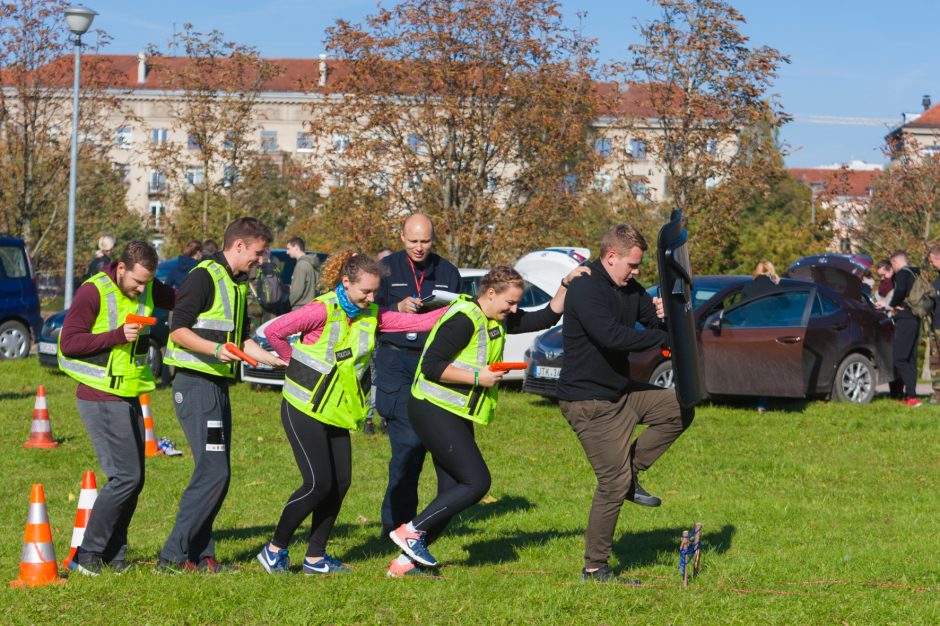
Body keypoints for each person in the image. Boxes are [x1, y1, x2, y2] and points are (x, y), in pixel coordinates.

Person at [387, 264, 588, 577]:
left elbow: (545, 316)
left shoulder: (496, 317)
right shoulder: (464, 320)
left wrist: (565, 283)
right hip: (432, 408)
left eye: (517, 302)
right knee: (477, 482)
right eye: (510, 302)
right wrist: (477, 377)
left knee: (450, 496)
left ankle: (404, 564)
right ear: (490, 294)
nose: (514, 308)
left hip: (451, 411)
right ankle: (410, 531)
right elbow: (430, 366)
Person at [255, 251, 448, 576]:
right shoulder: (321, 309)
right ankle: (274, 550)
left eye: (376, 292)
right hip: (302, 407)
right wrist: (293, 363)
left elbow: (415, 322)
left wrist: (459, 310)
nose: (372, 298)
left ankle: (315, 558)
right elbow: (274, 332)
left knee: (340, 483)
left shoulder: (372, 314)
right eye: (366, 292)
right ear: (346, 282)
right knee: (317, 484)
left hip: (335, 411)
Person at [556, 223, 694, 582]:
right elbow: (612, 337)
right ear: (611, 256)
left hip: (619, 391)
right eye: (632, 266)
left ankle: (630, 471)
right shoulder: (586, 289)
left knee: (681, 407)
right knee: (612, 485)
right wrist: (657, 335)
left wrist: (671, 318)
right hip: (589, 402)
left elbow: (653, 320)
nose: (636, 273)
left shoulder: (629, 289)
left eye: (639, 267)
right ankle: (594, 567)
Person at [158, 217, 287, 573]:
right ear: (240, 246)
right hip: (195, 386)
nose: (261, 261)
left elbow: (240, 340)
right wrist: (215, 352)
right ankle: (173, 556)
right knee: (214, 472)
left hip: (215, 387)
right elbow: (178, 330)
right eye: (259, 253)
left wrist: (272, 360)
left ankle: (201, 556)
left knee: (215, 471)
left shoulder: (237, 285)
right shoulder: (204, 276)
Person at [58, 240, 176, 575]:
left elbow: (184, 299)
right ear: (121, 268)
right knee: (126, 476)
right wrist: (116, 335)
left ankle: (114, 556)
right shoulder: (92, 292)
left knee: (133, 480)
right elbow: (69, 343)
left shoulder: (150, 288)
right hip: (98, 394)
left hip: (130, 393)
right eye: (138, 281)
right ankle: (87, 554)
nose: (142, 288)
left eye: (148, 282)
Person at [374, 214, 462, 537]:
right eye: (413, 241)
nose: (419, 247)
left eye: (425, 241)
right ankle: (396, 526)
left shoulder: (449, 273)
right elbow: (367, 315)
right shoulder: (383, 271)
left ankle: (427, 526)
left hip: (434, 367)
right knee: (406, 451)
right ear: (401, 237)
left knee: (439, 452)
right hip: (396, 365)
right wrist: (395, 309)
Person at [741, 260, 780, 413]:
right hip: (768, 332)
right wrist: (778, 285)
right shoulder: (773, 288)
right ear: (771, 272)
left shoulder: (748, 287)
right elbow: (785, 306)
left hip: (749, 332)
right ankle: (761, 404)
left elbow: (741, 310)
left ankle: (743, 399)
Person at [888, 250, 922, 407]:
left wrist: (892, 305)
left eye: (892, 265)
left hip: (905, 319)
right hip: (916, 318)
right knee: (910, 359)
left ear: (895, 262)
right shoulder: (916, 274)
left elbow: (900, 290)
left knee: (899, 358)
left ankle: (912, 397)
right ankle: (911, 396)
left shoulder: (902, 274)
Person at [286, 236, 320, 310]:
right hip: (311, 307)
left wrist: (288, 304)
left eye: (288, 249)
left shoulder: (301, 265)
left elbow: (297, 291)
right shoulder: (311, 263)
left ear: (296, 248)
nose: (287, 252)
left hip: (300, 309)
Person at [927, 247, 940, 404]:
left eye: (932, 261)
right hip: (935, 326)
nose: (931, 264)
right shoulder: (936, 281)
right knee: (936, 363)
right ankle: (937, 395)